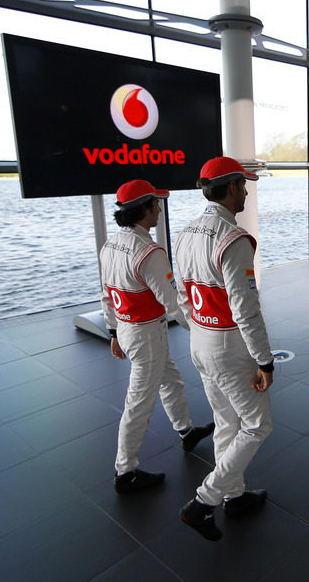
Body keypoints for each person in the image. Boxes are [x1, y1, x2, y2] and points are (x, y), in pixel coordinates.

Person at [174, 156, 275, 541]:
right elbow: (246, 309)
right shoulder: (233, 240)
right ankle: (204, 501)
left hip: (199, 341)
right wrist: (264, 361)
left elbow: (181, 296)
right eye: (244, 184)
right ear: (230, 187)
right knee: (257, 424)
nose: (247, 191)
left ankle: (234, 495)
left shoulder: (184, 234)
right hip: (230, 348)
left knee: (225, 420)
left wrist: (199, 328)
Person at [100, 179, 215, 494]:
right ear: (144, 209)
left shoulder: (110, 245)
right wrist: (202, 330)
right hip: (147, 335)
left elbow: (106, 295)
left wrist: (112, 332)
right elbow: (173, 301)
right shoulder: (149, 252)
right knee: (138, 403)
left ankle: (186, 430)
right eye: (155, 204)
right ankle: (125, 472)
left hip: (128, 330)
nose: (159, 209)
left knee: (170, 379)